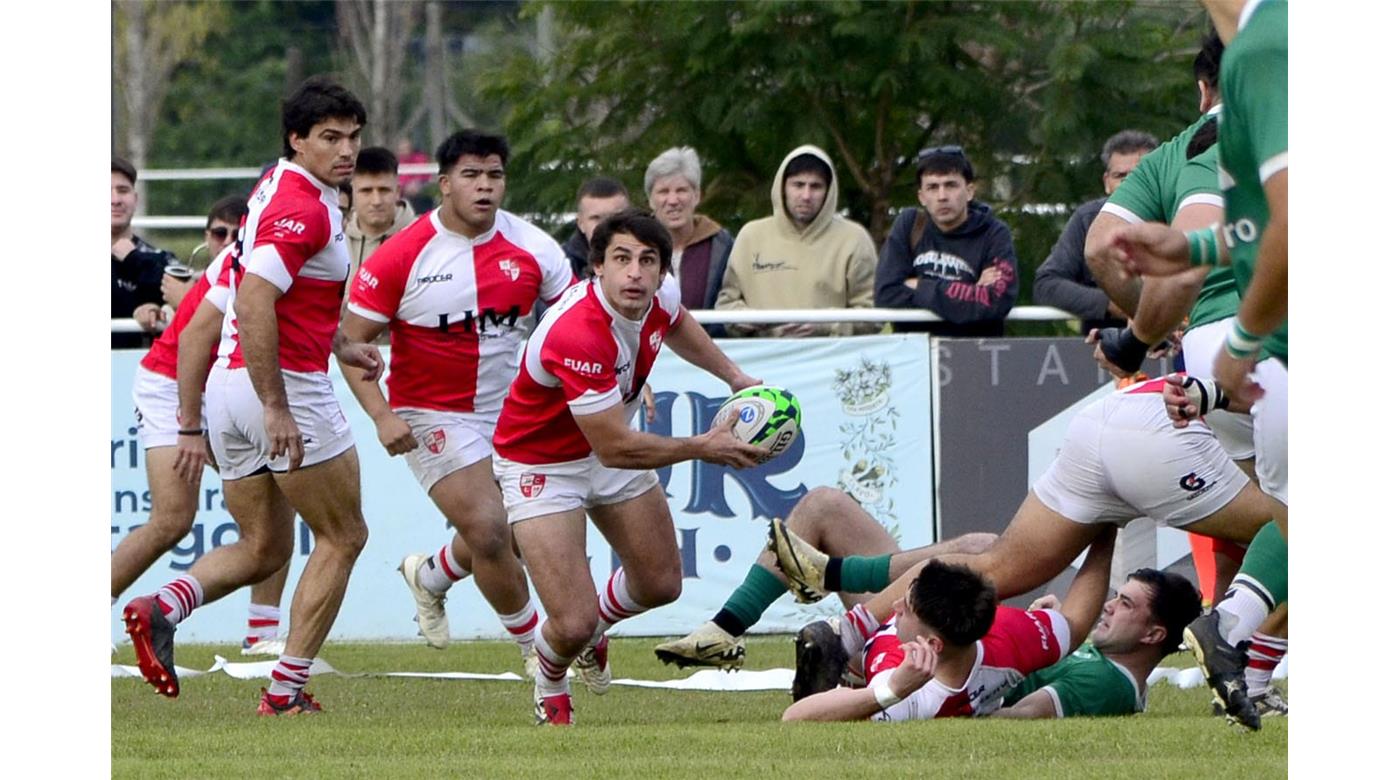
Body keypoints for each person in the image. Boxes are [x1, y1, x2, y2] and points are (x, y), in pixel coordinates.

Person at [122, 75, 384, 716]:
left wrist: (340, 344)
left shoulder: (276, 186)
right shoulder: (304, 208)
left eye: (353, 136)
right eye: (330, 137)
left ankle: (163, 606)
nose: (346, 150)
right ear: (297, 139)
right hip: (279, 388)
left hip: (228, 389)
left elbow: (276, 298)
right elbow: (255, 299)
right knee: (344, 535)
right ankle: (285, 690)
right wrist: (276, 406)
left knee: (265, 546)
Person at [491, 208, 769, 725]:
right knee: (570, 622)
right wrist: (703, 446)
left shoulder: (659, 296)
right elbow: (616, 449)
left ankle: (594, 631)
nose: (635, 273)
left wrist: (734, 376)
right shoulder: (578, 331)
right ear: (597, 265)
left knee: (661, 583)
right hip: (542, 464)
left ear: (663, 270)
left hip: (605, 446)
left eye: (648, 260)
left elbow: (678, 322)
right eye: (621, 259)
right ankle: (551, 680)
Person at [1102, 0, 1288, 730]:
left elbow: (1277, 225)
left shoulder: (1255, 66)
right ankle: (1237, 631)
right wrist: (1238, 345)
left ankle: (1240, 643)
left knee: (1291, 520)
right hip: (1269, 345)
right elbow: (1282, 230)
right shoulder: (1270, 59)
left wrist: (1188, 257)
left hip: (1238, 352)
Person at [341, 129, 572, 668]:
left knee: (520, 528)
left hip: (513, 412)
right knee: (489, 530)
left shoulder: (537, 248)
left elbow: (575, 325)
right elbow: (349, 344)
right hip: (430, 412)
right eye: (471, 175)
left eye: (494, 175)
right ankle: (536, 651)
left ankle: (431, 575)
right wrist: (381, 415)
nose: (484, 186)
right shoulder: (402, 254)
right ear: (444, 184)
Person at [112, 244, 295, 657]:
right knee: (173, 519)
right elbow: (194, 335)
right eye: (217, 232)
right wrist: (191, 427)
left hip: (226, 382)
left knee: (280, 500)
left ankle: (261, 635)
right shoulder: (251, 253)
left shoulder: (280, 247)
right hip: (170, 383)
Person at [780, 528, 1115, 722]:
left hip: (874, 661)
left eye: (905, 607)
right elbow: (1075, 624)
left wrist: (889, 691)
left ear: (932, 646)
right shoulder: (1014, 633)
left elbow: (795, 717)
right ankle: (848, 629)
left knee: (825, 503)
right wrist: (1106, 531)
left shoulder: (913, 691)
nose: (894, 606)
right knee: (977, 547)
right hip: (899, 650)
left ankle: (848, 636)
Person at [655, 486, 997, 670]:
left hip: (921, 655)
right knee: (823, 505)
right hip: (926, 631)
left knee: (981, 548)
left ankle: (828, 574)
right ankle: (725, 627)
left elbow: (799, 717)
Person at [714, 145, 879, 337]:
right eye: (798, 185)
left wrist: (825, 325)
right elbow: (726, 303)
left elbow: (873, 313)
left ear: (829, 191)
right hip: (764, 352)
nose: (806, 196)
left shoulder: (854, 239)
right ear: (782, 187)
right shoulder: (750, 236)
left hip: (830, 353)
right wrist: (753, 321)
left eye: (816, 186)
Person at [993, 568, 1202, 718]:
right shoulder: (1107, 663)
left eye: (1125, 604)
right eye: (1116, 597)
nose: (1108, 606)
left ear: (1153, 635)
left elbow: (1017, 715)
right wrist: (1057, 626)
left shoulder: (1104, 683)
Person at [873, 145, 1019, 338]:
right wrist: (971, 292)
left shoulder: (994, 232)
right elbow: (886, 295)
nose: (942, 196)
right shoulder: (909, 224)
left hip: (975, 351)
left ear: (969, 191)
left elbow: (995, 302)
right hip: (915, 351)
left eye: (951, 185)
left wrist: (920, 286)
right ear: (921, 197)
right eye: (932, 187)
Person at [1032, 131, 1158, 335]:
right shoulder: (1087, 220)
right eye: (1120, 176)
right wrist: (1114, 303)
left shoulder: (1181, 215)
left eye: (1138, 174)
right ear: (1107, 182)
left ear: (1158, 176)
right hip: (1103, 346)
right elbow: (1047, 285)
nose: (1129, 183)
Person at [645, 147, 734, 332]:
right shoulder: (636, 244)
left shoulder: (722, 245)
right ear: (650, 200)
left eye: (681, 190)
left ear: (697, 195)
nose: (673, 200)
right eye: (663, 191)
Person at [112, 156, 177, 348]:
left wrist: (134, 259)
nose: (115, 200)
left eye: (123, 191)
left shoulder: (160, 258)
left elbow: (183, 298)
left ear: (135, 198)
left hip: (138, 363)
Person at [346, 145, 416, 283]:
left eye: (384, 190)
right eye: (366, 191)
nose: (376, 201)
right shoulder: (335, 238)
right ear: (352, 192)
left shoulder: (420, 238)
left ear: (397, 192)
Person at [561, 177, 630, 279]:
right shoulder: (561, 266)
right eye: (596, 218)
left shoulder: (650, 257)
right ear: (580, 223)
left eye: (616, 217)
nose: (606, 225)